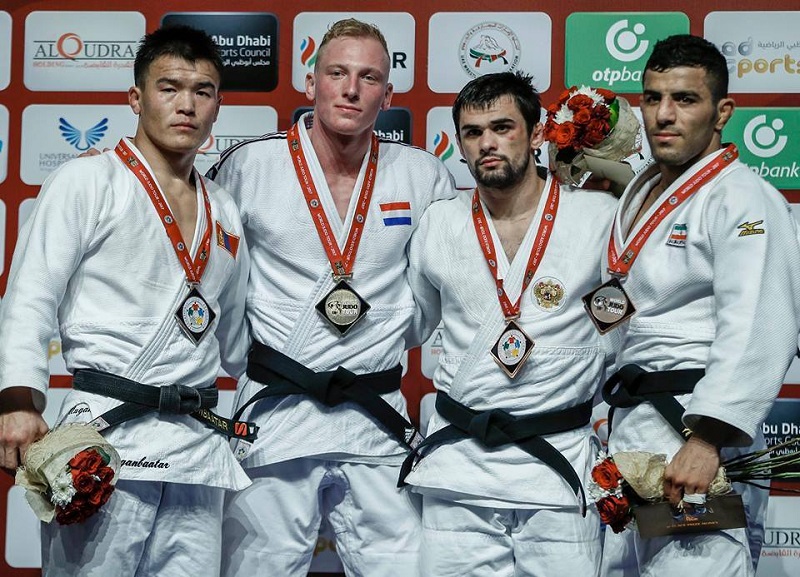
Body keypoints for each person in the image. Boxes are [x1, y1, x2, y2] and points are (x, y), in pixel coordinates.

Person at [206, 18, 456, 577]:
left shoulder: (422, 174)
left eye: (369, 77)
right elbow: (217, 282)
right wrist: (253, 360)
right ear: (310, 81)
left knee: (407, 568)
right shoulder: (249, 166)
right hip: (275, 413)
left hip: (375, 414)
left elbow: (433, 292)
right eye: (337, 73)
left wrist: (384, 336)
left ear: (387, 95)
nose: (351, 89)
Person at [0, 25, 252, 576]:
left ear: (217, 106)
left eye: (203, 91)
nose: (186, 105)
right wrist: (18, 400)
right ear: (135, 98)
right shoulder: (86, 181)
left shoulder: (225, 210)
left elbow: (237, 339)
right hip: (105, 439)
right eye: (169, 88)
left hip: (196, 449)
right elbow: (30, 296)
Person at [596, 34, 800, 576]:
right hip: (633, 427)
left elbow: (760, 325)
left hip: (695, 429)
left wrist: (708, 439)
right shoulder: (641, 194)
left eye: (685, 99)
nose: (664, 115)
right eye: (652, 98)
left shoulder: (743, 198)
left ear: (722, 112)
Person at [401, 71, 616, 576]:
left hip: (558, 468)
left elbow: (621, 330)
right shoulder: (440, 223)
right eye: (473, 133)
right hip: (460, 471)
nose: (487, 143)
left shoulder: (597, 218)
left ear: (537, 132)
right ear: (460, 145)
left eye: (502, 127)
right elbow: (414, 322)